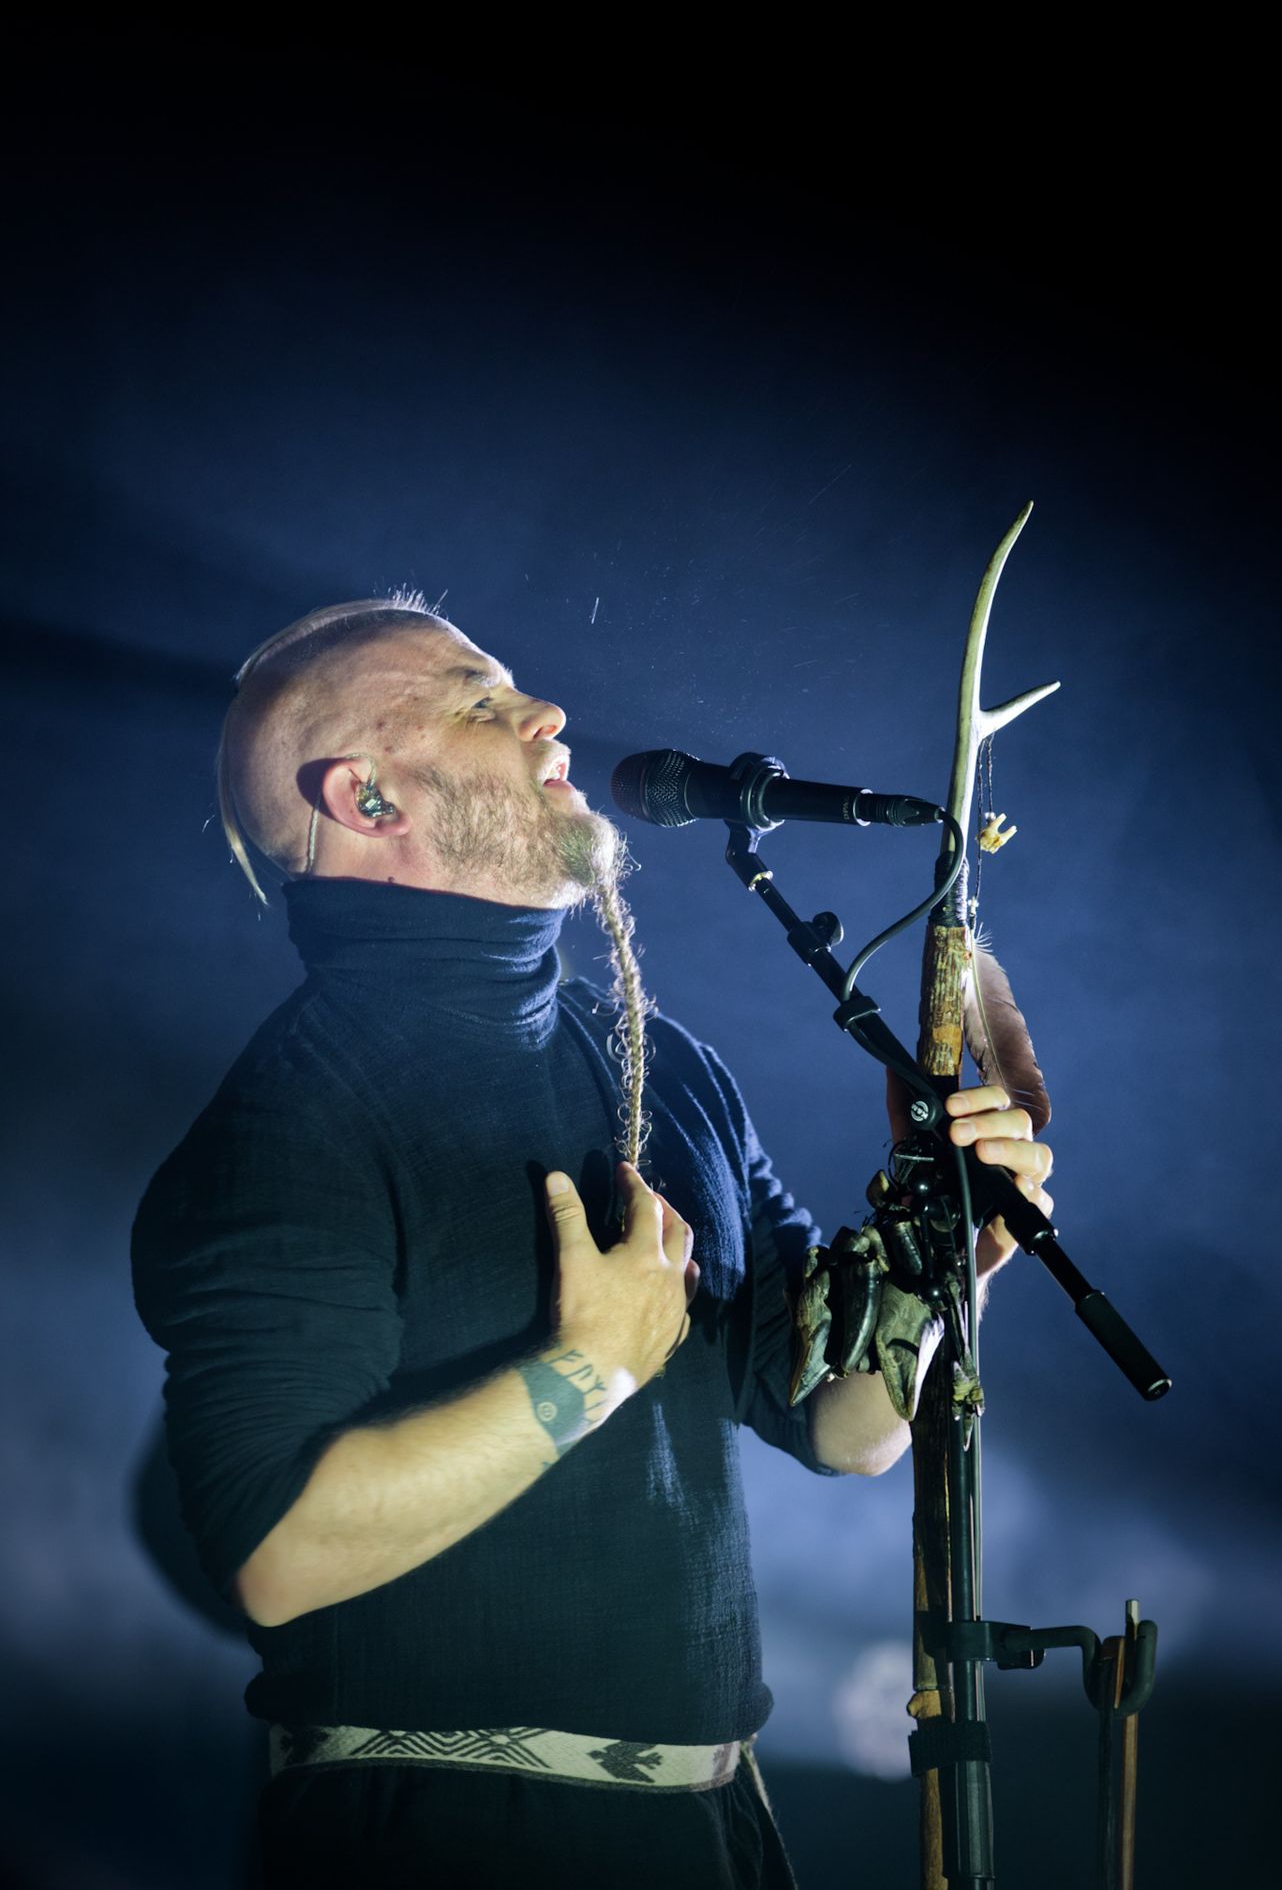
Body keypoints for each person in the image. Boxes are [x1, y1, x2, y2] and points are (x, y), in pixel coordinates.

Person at [131, 596, 1053, 1890]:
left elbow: (844, 1428)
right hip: (441, 1842)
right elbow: (276, 1557)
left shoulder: (663, 1065)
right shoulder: (294, 1119)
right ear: (368, 799)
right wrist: (592, 1370)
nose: (544, 714)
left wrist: (952, 1251)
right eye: (474, 700)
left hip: (712, 1829)